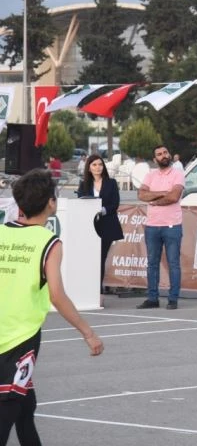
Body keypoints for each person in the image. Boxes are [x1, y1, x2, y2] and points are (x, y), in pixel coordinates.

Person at [0, 170, 104, 445]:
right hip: (18, 340)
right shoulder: (48, 242)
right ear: (51, 203)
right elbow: (57, 296)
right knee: (6, 414)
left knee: (24, 410)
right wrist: (88, 332)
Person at [136, 145, 185, 311]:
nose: (163, 155)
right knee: (152, 263)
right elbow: (141, 195)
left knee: (173, 263)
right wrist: (164, 192)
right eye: (159, 154)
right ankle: (152, 298)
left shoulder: (178, 174)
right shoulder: (150, 175)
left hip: (172, 226)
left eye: (165, 152)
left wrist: (155, 199)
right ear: (154, 159)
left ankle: (173, 299)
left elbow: (174, 196)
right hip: (152, 226)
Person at [76, 154, 125, 294]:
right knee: (90, 257)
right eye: (94, 165)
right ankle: (88, 288)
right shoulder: (83, 184)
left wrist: (102, 210)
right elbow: (81, 201)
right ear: (89, 168)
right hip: (89, 226)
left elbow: (115, 204)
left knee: (100, 257)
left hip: (107, 225)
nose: (98, 167)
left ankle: (97, 290)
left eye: (100, 164)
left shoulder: (111, 183)